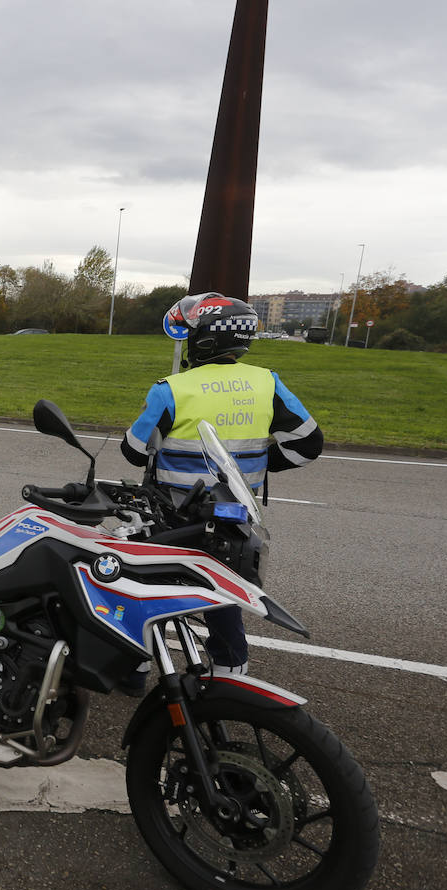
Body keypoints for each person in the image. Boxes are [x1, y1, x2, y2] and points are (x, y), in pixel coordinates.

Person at [118, 292, 323, 692]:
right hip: (233, 515)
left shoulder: (171, 389)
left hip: (170, 514)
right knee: (223, 591)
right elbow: (307, 444)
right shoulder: (268, 382)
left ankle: (135, 670)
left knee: (139, 586)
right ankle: (230, 675)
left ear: (203, 340)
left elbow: (133, 451)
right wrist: (261, 465)